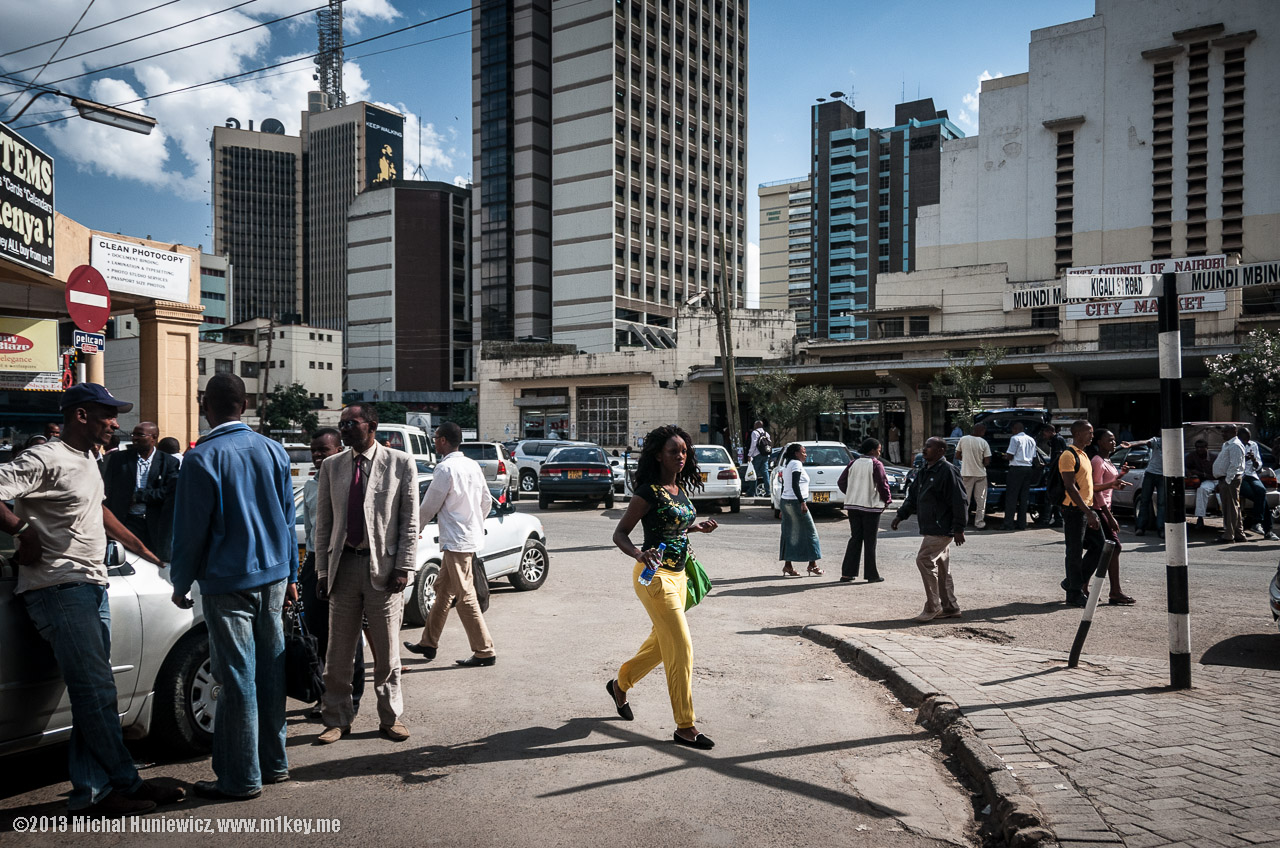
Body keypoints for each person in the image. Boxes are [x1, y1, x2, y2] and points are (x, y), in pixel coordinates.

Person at [0, 383, 179, 817]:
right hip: (61, 589)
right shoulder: (45, 457)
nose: (116, 422)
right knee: (97, 690)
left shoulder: (89, 459)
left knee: (92, 693)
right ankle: (126, 782)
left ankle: (92, 793)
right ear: (81, 416)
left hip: (91, 586)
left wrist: (150, 555)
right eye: (107, 414)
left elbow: (98, 512)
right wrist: (23, 532)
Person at [170, 373, 298, 801]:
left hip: (228, 581)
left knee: (237, 677)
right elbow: (286, 520)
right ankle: (274, 763)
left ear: (206, 405)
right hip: (275, 576)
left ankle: (240, 777)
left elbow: (189, 531)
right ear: (245, 404)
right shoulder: (272, 450)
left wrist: (180, 580)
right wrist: (293, 575)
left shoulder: (202, 457)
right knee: (270, 670)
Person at [608, 424, 719, 749]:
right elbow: (620, 534)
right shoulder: (647, 491)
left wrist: (695, 528)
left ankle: (620, 684)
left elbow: (674, 528)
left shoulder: (678, 489)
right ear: (659, 455)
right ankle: (685, 726)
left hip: (680, 575)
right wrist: (639, 554)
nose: (681, 456)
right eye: (674, 451)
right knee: (681, 646)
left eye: (684, 451)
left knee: (660, 645)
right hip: (654, 577)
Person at [313, 402, 418, 744]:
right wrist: (321, 572)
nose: (344, 430)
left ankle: (391, 718)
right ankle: (336, 719)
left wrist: (403, 566)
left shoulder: (400, 463)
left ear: (371, 426)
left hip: (383, 570)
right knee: (338, 654)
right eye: (341, 424)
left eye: (351, 423)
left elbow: (409, 520)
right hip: (342, 568)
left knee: (387, 653)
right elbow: (324, 524)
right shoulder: (332, 466)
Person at [405, 421, 495, 669]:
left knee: (465, 597)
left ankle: (485, 651)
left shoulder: (445, 469)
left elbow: (430, 505)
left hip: (456, 541)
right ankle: (428, 642)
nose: (434, 442)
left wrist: (414, 530)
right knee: (444, 590)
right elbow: (487, 501)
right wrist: (473, 522)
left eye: (435, 438)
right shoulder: (471, 465)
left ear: (443, 440)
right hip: (467, 538)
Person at [299, 427, 365, 719]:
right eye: (313, 450)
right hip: (316, 565)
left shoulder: (349, 482)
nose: (317, 456)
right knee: (318, 635)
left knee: (348, 636)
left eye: (323, 450)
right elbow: (312, 530)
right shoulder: (311, 486)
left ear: (338, 450)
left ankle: (354, 697)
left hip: (344, 565)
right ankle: (326, 697)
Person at [892, 436, 967, 622]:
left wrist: (959, 528)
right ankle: (950, 607)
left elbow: (960, 500)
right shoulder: (924, 470)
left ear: (941, 451)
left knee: (924, 560)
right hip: (932, 526)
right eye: (924, 446)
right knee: (942, 567)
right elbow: (913, 496)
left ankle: (933, 606)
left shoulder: (949, 471)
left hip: (942, 527)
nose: (924, 449)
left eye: (929, 447)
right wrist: (901, 515)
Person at [102, 421, 181, 562]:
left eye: (140, 435)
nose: (134, 438)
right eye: (134, 434)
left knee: (155, 563)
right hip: (127, 523)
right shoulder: (119, 459)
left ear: (154, 437)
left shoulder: (168, 462)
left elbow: (169, 491)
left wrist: (139, 497)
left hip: (155, 524)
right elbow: (109, 489)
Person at [1060, 419, 1103, 608]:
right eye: (1089, 432)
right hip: (1074, 510)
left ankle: (1072, 583)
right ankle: (1074, 593)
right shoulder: (1068, 455)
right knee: (1074, 552)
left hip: (1086, 509)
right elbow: (1069, 486)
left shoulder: (1084, 454)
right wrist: (1088, 512)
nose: (1092, 436)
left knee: (1099, 546)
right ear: (1077, 434)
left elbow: (1088, 486)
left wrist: (1091, 511)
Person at [1090, 429, 1135, 605]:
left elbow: (1109, 484)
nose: (1113, 443)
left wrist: (1121, 475)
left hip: (1105, 509)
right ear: (1099, 442)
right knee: (1112, 548)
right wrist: (1109, 516)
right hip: (1099, 509)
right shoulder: (1097, 461)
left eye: (1114, 440)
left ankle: (1090, 587)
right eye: (1109, 440)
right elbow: (1095, 489)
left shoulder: (1107, 460)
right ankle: (1114, 591)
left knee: (1103, 550)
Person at [837, 438, 891, 583]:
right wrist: (887, 500)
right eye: (879, 449)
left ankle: (847, 573)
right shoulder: (876, 464)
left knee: (855, 538)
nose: (880, 452)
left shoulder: (853, 463)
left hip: (853, 506)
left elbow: (841, 482)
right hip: (870, 507)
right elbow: (882, 484)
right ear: (872, 450)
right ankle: (871, 575)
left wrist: (852, 492)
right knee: (870, 541)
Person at [778, 442, 823, 576]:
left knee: (790, 533)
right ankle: (813, 565)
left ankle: (788, 565)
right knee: (810, 533)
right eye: (803, 452)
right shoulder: (796, 464)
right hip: (795, 502)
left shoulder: (788, 464)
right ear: (796, 453)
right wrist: (802, 502)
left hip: (786, 501)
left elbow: (785, 485)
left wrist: (782, 508)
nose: (805, 454)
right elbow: (794, 484)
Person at [1238, 428, 1277, 541]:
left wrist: (1255, 461)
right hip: (1240, 476)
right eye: (1245, 439)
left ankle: (1256, 520)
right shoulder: (1234, 445)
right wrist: (1243, 459)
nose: (1247, 441)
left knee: (1261, 491)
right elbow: (1232, 464)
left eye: (1248, 439)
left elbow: (1259, 464)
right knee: (1260, 498)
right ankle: (1265, 528)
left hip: (1251, 474)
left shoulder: (1253, 445)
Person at [1124, 434, 1165, 537]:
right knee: (1144, 500)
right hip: (1150, 473)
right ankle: (1140, 528)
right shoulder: (1156, 440)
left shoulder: (1174, 441)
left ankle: (1161, 529)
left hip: (1164, 475)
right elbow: (1145, 442)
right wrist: (1132, 444)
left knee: (1162, 503)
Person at [1212, 424, 1246, 544]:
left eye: (1225, 432)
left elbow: (1235, 465)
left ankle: (1229, 535)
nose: (1223, 434)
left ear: (1234, 432)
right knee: (1233, 507)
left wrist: (1227, 480)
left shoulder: (1235, 445)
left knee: (1230, 508)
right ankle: (1238, 533)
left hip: (1230, 479)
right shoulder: (1227, 444)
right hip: (1226, 479)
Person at [955, 423, 992, 529]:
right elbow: (987, 461)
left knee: (965, 499)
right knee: (981, 500)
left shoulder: (963, 439)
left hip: (966, 474)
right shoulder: (984, 442)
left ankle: (962, 522)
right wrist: (980, 463)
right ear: (982, 431)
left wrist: (967, 460)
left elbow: (957, 455)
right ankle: (979, 523)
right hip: (980, 475)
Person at [1002, 421, 1037, 531]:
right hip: (1028, 469)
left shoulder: (1015, 438)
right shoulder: (1031, 440)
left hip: (1016, 469)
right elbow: (1034, 456)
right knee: (1023, 497)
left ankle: (1008, 524)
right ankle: (1022, 524)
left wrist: (1004, 456)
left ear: (1015, 429)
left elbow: (1010, 456)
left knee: (1012, 497)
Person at [1038, 424, 1068, 527]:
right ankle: (1058, 519)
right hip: (1058, 471)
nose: (1044, 435)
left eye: (1045, 433)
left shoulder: (1057, 440)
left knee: (1050, 496)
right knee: (1055, 496)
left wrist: (1048, 465)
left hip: (1057, 472)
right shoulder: (1057, 439)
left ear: (1050, 431)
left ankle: (1046, 520)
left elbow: (1058, 456)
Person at [1186, 439, 1218, 529]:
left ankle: (1228, 521)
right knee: (1201, 490)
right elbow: (1186, 467)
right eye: (1197, 447)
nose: (1199, 449)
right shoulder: (1192, 456)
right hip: (1207, 481)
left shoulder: (1214, 457)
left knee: (1222, 496)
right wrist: (1190, 474)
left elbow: (1218, 473)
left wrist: (1202, 474)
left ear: (1206, 448)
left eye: (1202, 447)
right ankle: (1200, 518)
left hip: (1218, 480)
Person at [747, 419, 772, 497]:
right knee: (765, 473)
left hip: (757, 455)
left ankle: (751, 492)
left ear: (757, 425)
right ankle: (768, 492)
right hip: (765, 455)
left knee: (753, 473)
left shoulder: (754, 433)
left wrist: (749, 454)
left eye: (755, 425)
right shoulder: (766, 433)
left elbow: (753, 444)